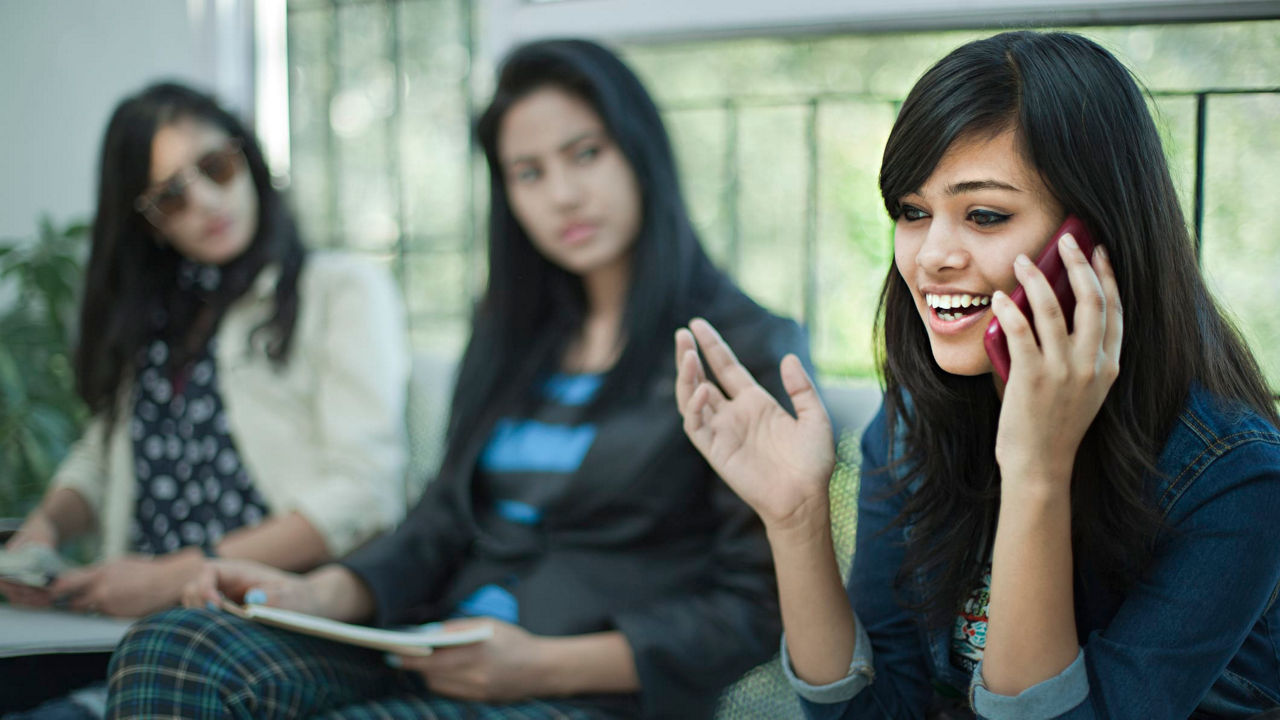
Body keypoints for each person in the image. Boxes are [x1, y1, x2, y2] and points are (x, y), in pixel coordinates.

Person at [105, 40, 811, 720]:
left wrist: (543, 665)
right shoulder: (515, 336)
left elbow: (756, 608)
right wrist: (315, 593)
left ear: (642, 153)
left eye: (586, 154)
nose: (562, 195)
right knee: (171, 647)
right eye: (528, 172)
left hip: (576, 690)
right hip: (427, 644)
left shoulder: (739, 349)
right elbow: (442, 520)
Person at [674, 30, 1280, 719]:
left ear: (1093, 240)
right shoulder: (914, 421)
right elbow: (877, 712)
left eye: (985, 215)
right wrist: (797, 521)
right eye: (912, 212)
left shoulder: (1233, 479)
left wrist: (1036, 473)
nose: (930, 256)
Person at [1, 82, 410, 716]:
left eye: (217, 167)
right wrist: (46, 527)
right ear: (146, 222)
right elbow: (104, 453)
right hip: (128, 625)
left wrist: (173, 575)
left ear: (249, 158)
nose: (207, 202)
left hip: (282, 616)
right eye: (170, 197)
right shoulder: (157, 320)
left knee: (166, 663)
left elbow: (365, 491)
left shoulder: (340, 290)